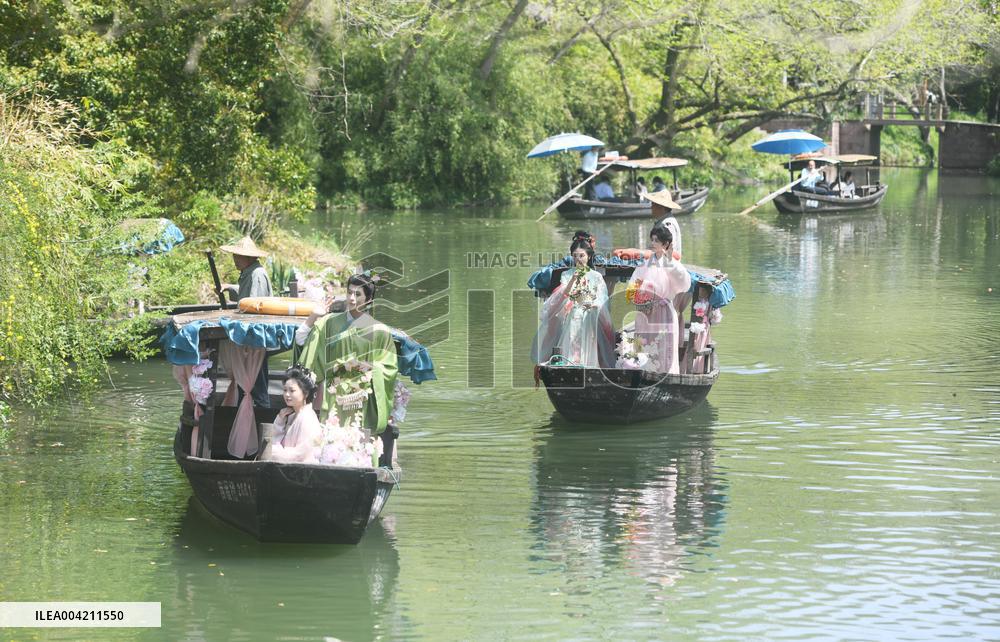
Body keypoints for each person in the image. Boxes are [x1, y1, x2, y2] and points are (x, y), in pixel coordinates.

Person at [295, 273, 399, 466]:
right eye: (349, 293)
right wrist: (314, 316)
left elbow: (389, 368)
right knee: (331, 443)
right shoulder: (329, 323)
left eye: (358, 294)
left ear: (369, 299)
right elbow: (303, 343)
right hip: (333, 397)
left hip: (362, 400)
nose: (352, 299)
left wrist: (368, 368)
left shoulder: (379, 331)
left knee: (360, 446)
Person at [532, 236, 616, 368]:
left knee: (588, 315)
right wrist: (574, 279)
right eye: (575, 256)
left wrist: (595, 305)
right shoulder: (566, 274)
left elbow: (602, 296)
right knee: (575, 314)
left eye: (582, 255)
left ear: (588, 256)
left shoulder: (596, 276)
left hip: (591, 310)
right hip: (574, 309)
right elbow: (565, 293)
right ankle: (571, 360)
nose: (578, 259)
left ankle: (588, 362)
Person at [628, 226, 691, 374]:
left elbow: (683, 283)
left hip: (664, 312)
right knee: (644, 343)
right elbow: (633, 286)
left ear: (666, 244)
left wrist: (669, 261)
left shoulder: (672, 264)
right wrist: (638, 300)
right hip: (646, 312)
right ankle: (643, 373)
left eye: (657, 240)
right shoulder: (644, 264)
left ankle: (666, 375)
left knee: (664, 346)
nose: (653, 242)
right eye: (652, 239)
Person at [219, 236, 273, 408]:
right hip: (250, 338)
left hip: (255, 338)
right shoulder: (249, 273)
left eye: (238, 256)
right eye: (234, 255)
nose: (235, 260)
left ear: (249, 257)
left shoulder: (257, 274)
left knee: (256, 383)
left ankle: (261, 421)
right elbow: (246, 294)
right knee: (249, 382)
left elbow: (253, 305)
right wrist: (228, 286)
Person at [267, 366, 323, 463]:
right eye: (285, 390)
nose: (287, 394)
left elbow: (299, 455)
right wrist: (280, 420)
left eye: (292, 390)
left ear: (305, 393)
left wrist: (272, 451)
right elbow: (276, 441)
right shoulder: (292, 415)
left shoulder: (307, 417)